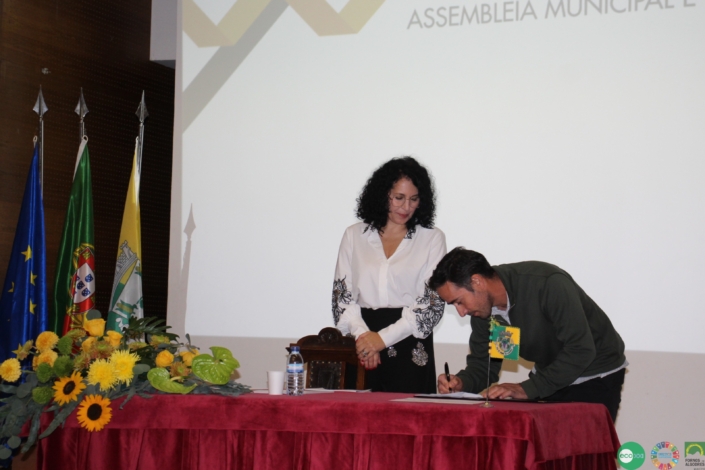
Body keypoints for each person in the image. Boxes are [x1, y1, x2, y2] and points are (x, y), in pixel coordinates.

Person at [429, 248, 627, 421]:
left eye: (459, 301)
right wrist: (462, 383)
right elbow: (486, 365)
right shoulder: (484, 313)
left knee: (584, 450)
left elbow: (581, 350)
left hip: (595, 375)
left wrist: (527, 388)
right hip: (551, 377)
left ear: (477, 281)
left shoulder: (547, 284)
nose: (461, 312)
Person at [332, 157, 446, 393]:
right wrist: (365, 339)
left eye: (414, 199)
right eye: (399, 198)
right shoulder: (354, 235)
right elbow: (342, 298)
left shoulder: (432, 238)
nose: (406, 207)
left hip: (409, 341)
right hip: (362, 342)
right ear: (383, 194)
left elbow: (431, 305)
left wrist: (381, 339)